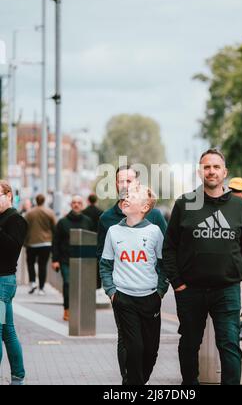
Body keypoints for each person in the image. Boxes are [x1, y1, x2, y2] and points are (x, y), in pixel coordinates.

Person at [162, 149, 242, 385]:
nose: (211, 171)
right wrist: (177, 283)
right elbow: (168, 248)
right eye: (207, 167)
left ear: (225, 172)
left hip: (226, 290)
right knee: (189, 343)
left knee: (229, 344)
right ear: (200, 172)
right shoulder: (185, 204)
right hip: (190, 290)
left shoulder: (239, 208)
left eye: (216, 167)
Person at [96, 165, 167, 385]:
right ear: (115, 184)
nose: (125, 186)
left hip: (149, 296)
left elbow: (165, 258)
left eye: (130, 182)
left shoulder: (154, 220)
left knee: (149, 350)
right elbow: (104, 259)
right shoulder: (108, 221)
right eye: (121, 181)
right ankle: (129, 381)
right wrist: (111, 291)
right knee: (129, 343)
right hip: (123, 295)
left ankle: (135, 380)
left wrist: (160, 291)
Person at [0, 180, 28, 385]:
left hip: (3, 281)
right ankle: (18, 377)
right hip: (3, 281)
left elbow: (12, 248)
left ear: (8, 195)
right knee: (8, 331)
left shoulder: (15, 219)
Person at [52, 195, 93, 321]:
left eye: (79, 203)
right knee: (68, 284)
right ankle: (67, 309)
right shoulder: (62, 222)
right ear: (71, 204)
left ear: (82, 205)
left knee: (82, 286)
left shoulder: (88, 221)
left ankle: (79, 309)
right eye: (74, 202)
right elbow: (56, 242)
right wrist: (55, 260)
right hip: (66, 260)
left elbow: (92, 240)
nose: (76, 205)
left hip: (84, 260)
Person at [25, 194, 56, 295]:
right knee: (42, 265)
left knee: (30, 263)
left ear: (36, 201)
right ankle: (41, 288)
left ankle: (33, 282)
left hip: (32, 243)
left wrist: (25, 242)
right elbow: (54, 227)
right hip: (46, 243)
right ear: (44, 201)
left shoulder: (29, 213)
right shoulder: (49, 212)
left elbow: (24, 227)